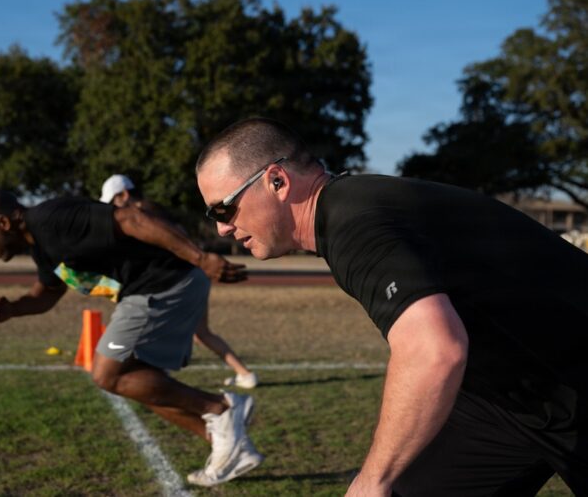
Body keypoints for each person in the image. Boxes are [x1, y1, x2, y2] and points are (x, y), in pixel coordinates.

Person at [195, 117, 588, 496]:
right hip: (510, 395)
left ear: (277, 181)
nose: (221, 229)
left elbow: (434, 351)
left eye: (223, 209)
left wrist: (373, 480)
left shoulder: (355, 225)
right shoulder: (352, 209)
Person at [0, 189, 263, 486]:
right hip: (155, 288)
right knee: (140, 384)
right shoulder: (41, 246)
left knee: (106, 375)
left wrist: (200, 257)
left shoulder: (52, 219)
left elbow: (132, 218)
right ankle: (226, 443)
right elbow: (46, 295)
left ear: (3, 224)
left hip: (160, 284)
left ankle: (220, 408)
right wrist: (12, 309)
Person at [100, 174, 259, 389]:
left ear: (124, 194)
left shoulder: (139, 215)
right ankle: (244, 374)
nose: (113, 211)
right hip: (191, 275)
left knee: (162, 330)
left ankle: (154, 376)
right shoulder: (154, 209)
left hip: (180, 279)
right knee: (201, 333)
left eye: (113, 203)